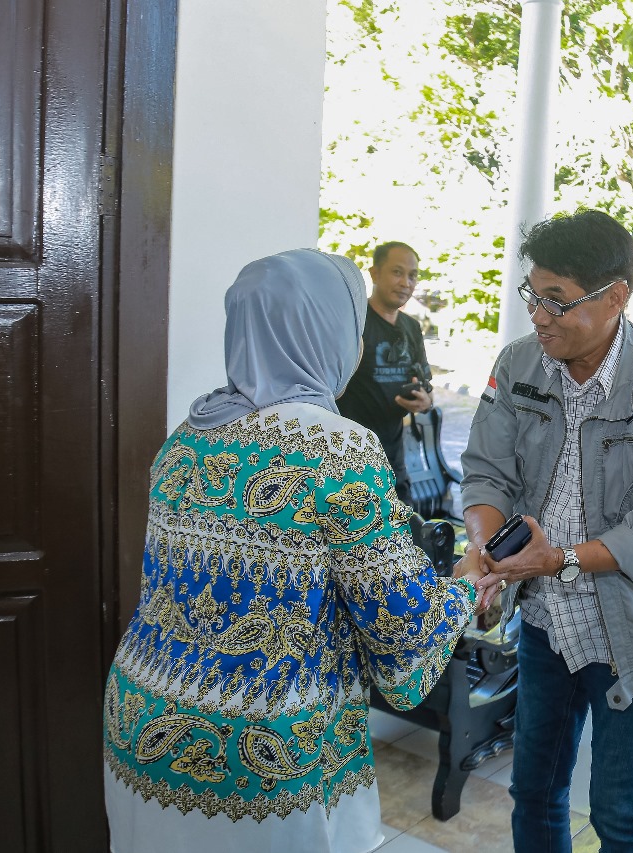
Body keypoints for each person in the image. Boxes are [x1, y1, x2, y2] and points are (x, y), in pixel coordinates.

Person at [103, 249, 488, 853]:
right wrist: (468, 585)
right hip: (263, 751)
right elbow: (402, 628)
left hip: (143, 720)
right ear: (327, 332)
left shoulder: (189, 435)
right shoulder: (338, 449)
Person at [461, 210, 633, 852]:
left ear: (616, 296)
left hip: (631, 626)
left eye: (556, 299)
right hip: (545, 622)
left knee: (617, 811)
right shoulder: (519, 364)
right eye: (532, 295)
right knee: (535, 790)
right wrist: (483, 550)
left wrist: (559, 561)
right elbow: (487, 471)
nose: (538, 316)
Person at [336, 241, 434, 506]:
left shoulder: (411, 328)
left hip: (394, 457)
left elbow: (425, 385)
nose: (405, 283)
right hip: (350, 456)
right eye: (397, 272)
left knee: (403, 524)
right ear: (375, 273)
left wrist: (425, 402)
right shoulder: (354, 322)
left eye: (412, 275)